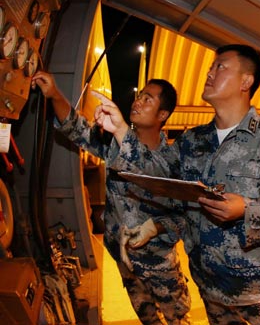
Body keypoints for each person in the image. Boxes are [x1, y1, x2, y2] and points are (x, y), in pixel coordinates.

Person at [97, 44, 260, 324]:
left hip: (259, 294)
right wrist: (122, 131)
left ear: (246, 82)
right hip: (210, 288)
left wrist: (247, 209)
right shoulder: (192, 141)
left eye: (220, 66)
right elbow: (160, 176)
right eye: (211, 66)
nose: (209, 72)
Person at [31, 73, 191, 324]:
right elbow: (75, 127)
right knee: (148, 318)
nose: (137, 102)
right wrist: (54, 94)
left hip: (158, 265)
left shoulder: (173, 162)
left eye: (148, 99)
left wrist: (154, 228)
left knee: (177, 320)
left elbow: (185, 217)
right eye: (139, 96)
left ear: (163, 115)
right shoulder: (116, 145)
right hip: (125, 259)